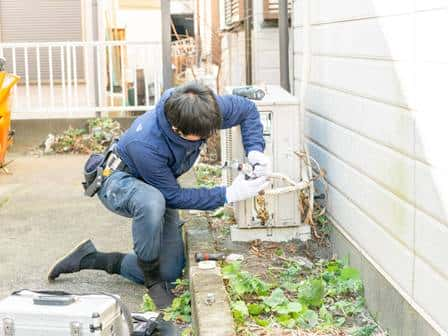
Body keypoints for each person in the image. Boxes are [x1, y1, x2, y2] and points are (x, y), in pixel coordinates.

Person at [47, 82, 271, 308]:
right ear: (177, 130)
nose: (207, 137)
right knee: (152, 201)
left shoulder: (202, 107)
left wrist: (255, 151)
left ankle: (92, 258)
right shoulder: (146, 143)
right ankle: (152, 279)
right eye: (201, 136)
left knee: (171, 272)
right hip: (117, 181)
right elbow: (172, 197)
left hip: (159, 184)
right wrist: (228, 194)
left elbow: (247, 109)